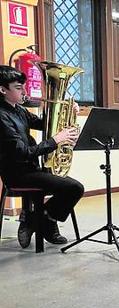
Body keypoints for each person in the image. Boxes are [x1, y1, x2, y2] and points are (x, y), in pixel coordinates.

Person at [0, 65, 84, 248]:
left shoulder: (19, 110)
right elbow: (22, 152)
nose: (24, 91)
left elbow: (43, 123)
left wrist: (69, 112)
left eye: (24, 86)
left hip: (32, 169)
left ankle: (37, 218)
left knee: (71, 186)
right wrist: (55, 141)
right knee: (74, 188)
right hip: (17, 174)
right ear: (2, 90)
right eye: (18, 87)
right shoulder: (2, 116)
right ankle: (45, 221)